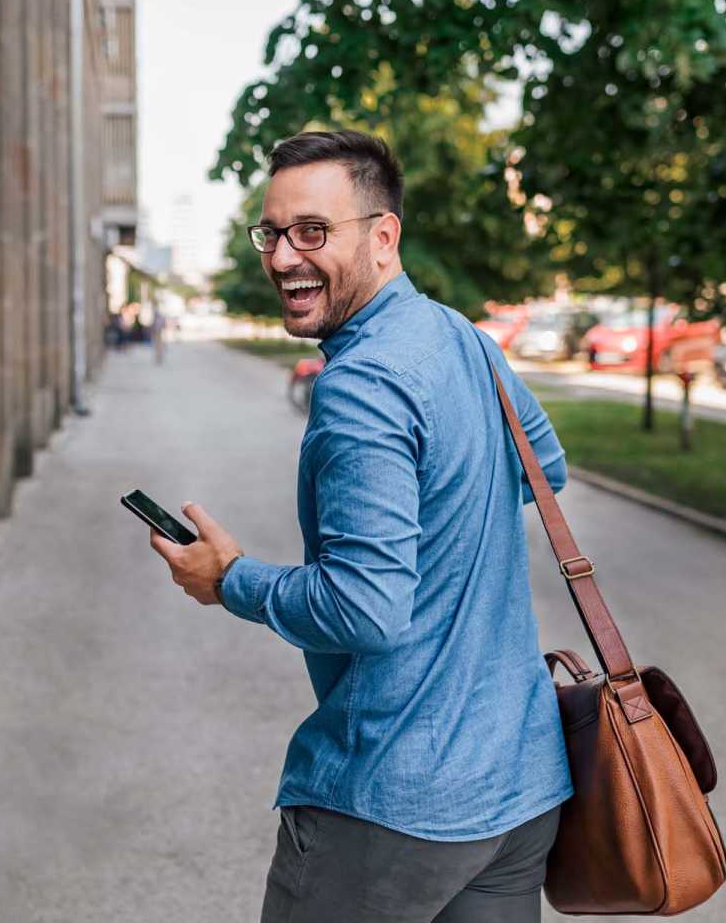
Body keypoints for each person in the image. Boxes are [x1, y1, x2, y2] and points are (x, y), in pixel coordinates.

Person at [148, 130, 571, 923]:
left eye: (313, 231)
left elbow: (365, 608)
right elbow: (543, 469)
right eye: (273, 233)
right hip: (518, 788)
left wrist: (229, 580)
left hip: (392, 804)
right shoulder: (463, 338)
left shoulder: (362, 387)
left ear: (384, 236)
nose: (283, 257)